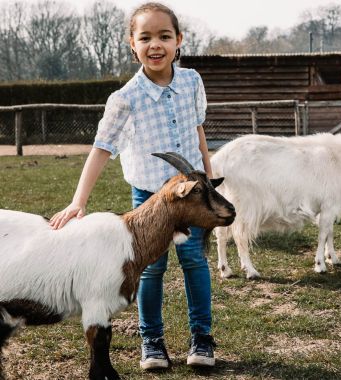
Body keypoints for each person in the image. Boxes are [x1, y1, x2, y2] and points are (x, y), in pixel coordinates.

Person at [50, 1, 217, 370]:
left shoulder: (192, 82)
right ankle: (152, 342)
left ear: (179, 41)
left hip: (191, 196)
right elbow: (101, 150)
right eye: (145, 37)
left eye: (164, 36)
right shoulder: (124, 99)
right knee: (151, 268)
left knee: (194, 263)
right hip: (149, 199)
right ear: (132, 44)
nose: (155, 44)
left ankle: (202, 338)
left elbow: (198, 130)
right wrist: (79, 201)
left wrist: (209, 176)